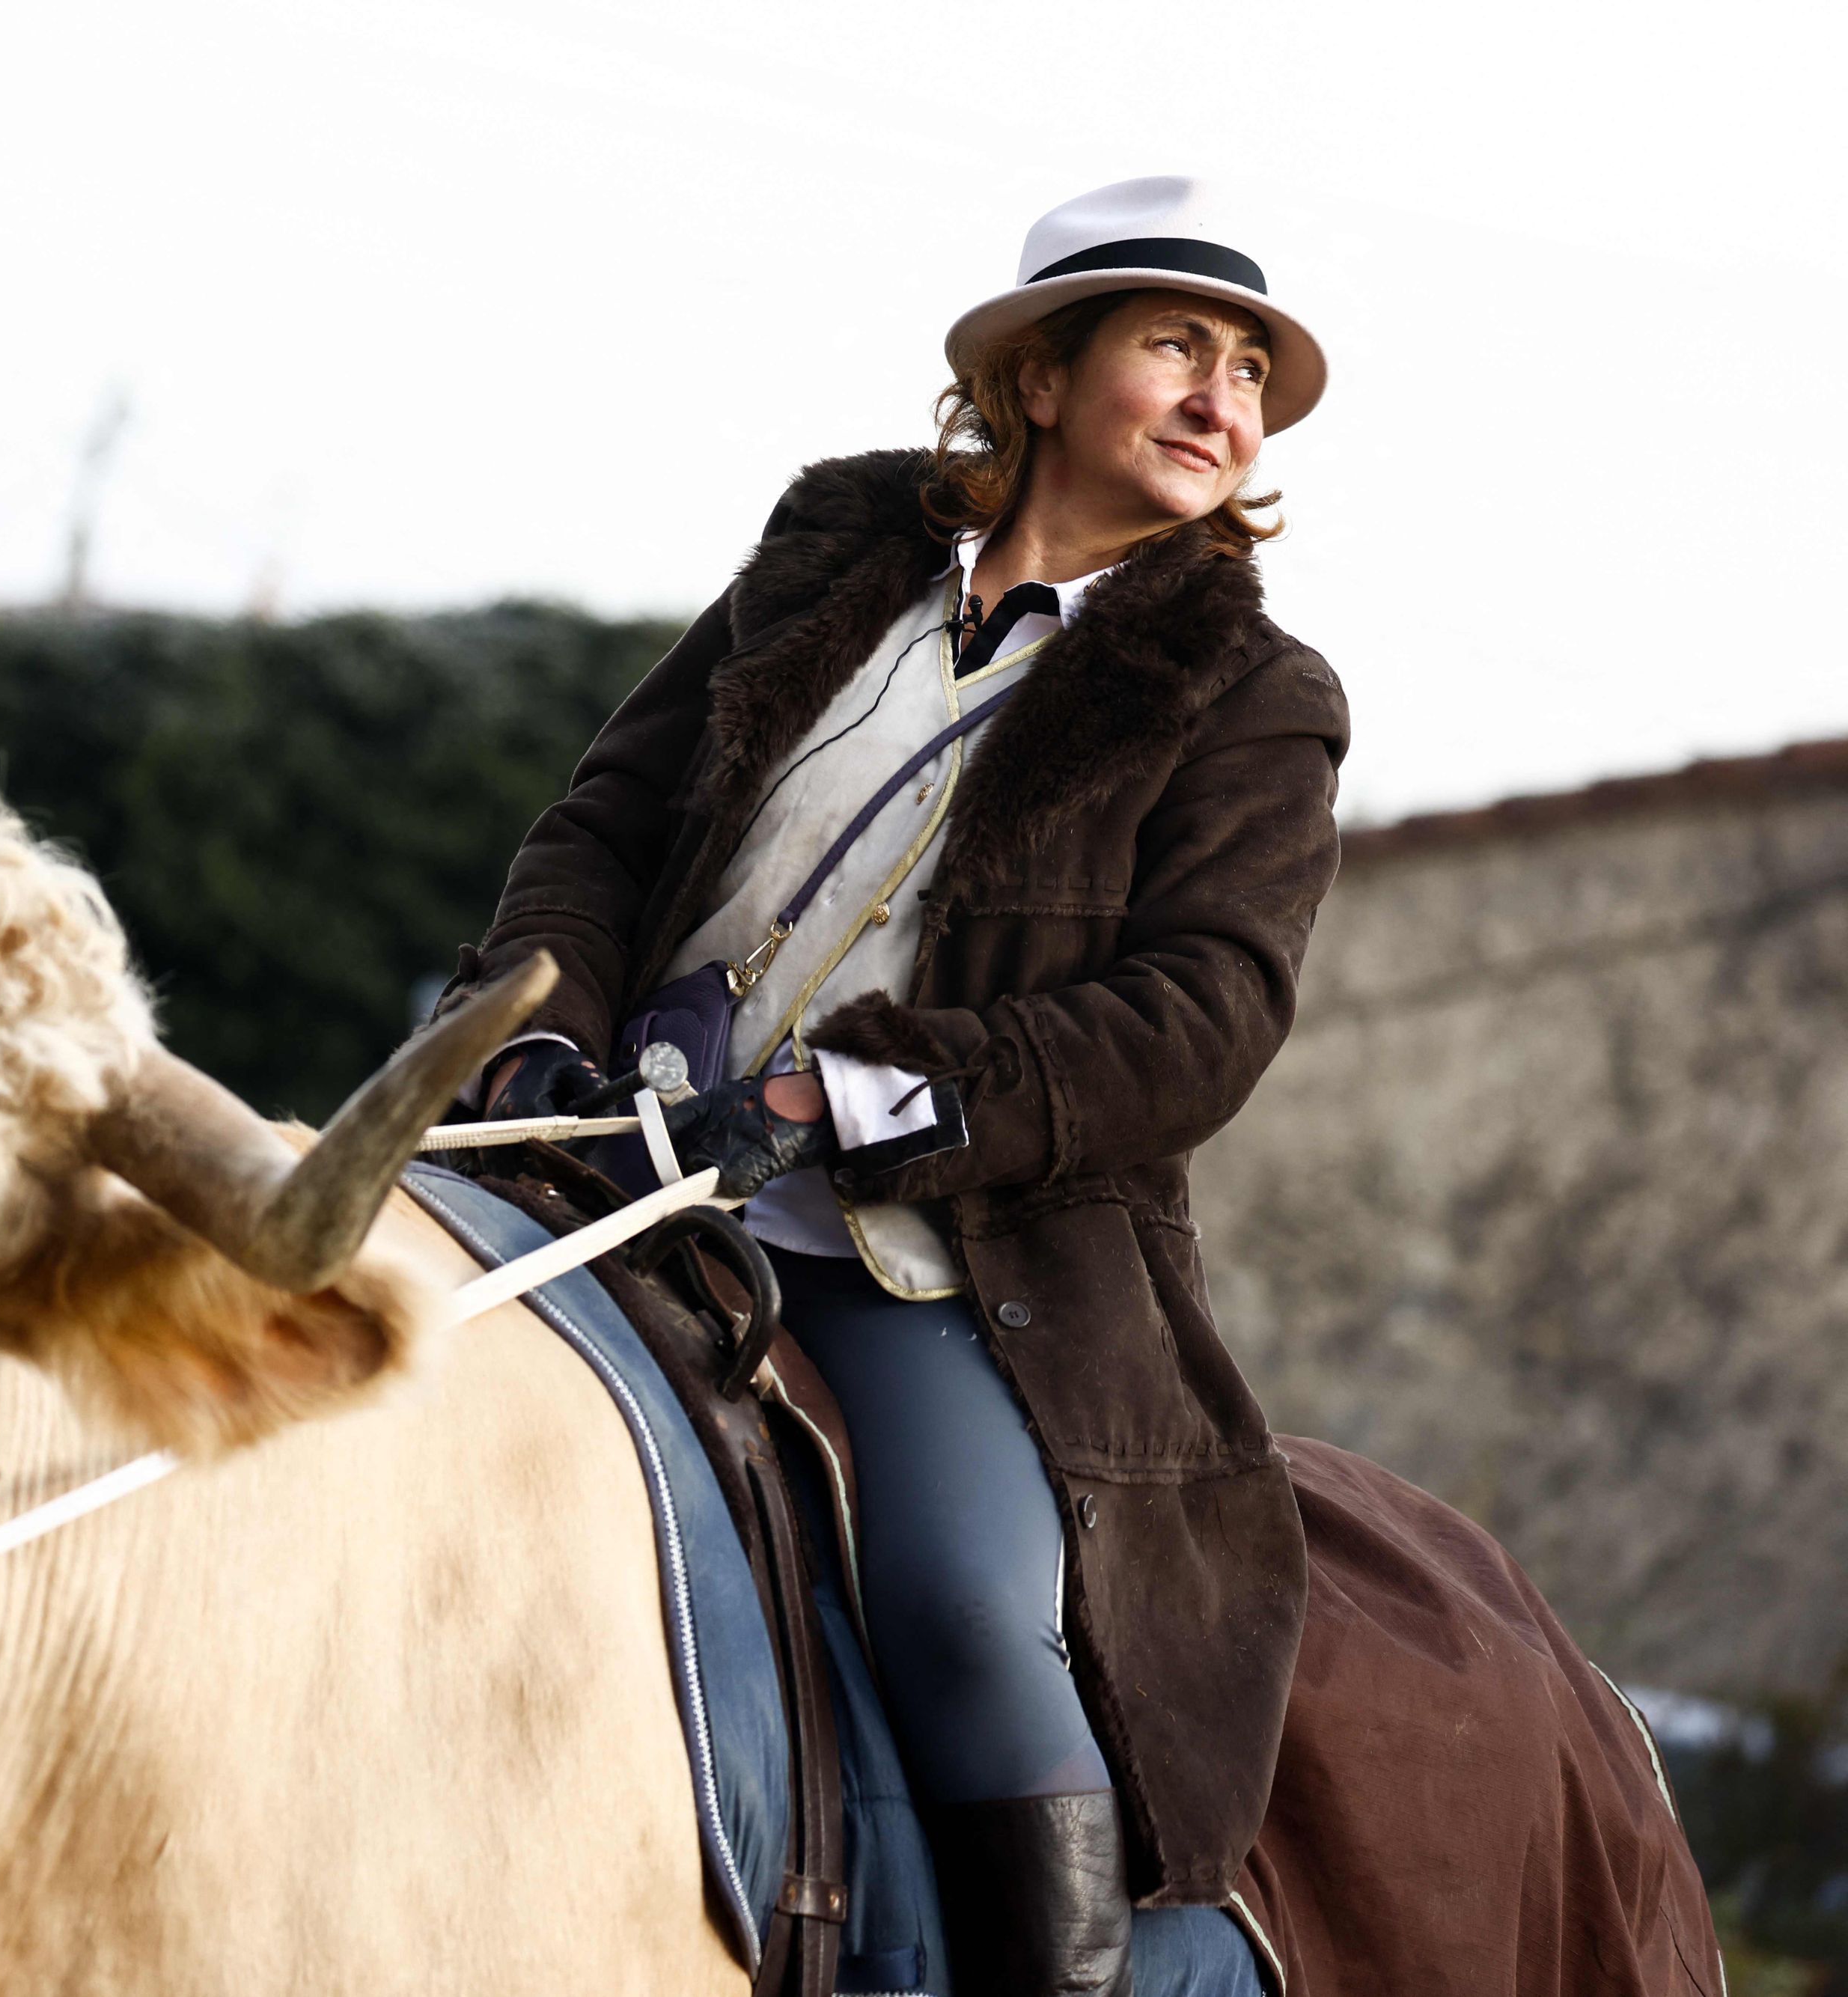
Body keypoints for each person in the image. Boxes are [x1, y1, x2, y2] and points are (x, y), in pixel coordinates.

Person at [441, 177, 1346, 1997]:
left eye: (1247, 367)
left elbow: (1202, 1017)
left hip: (930, 1252)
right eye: (1175, 342)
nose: (1218, 398)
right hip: (586, 1153)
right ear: (1033, 377)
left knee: (956, 1608)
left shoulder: (1251, 692)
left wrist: (825, 1107)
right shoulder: (821, 570)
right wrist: (535, 1027)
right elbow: (602, 831)